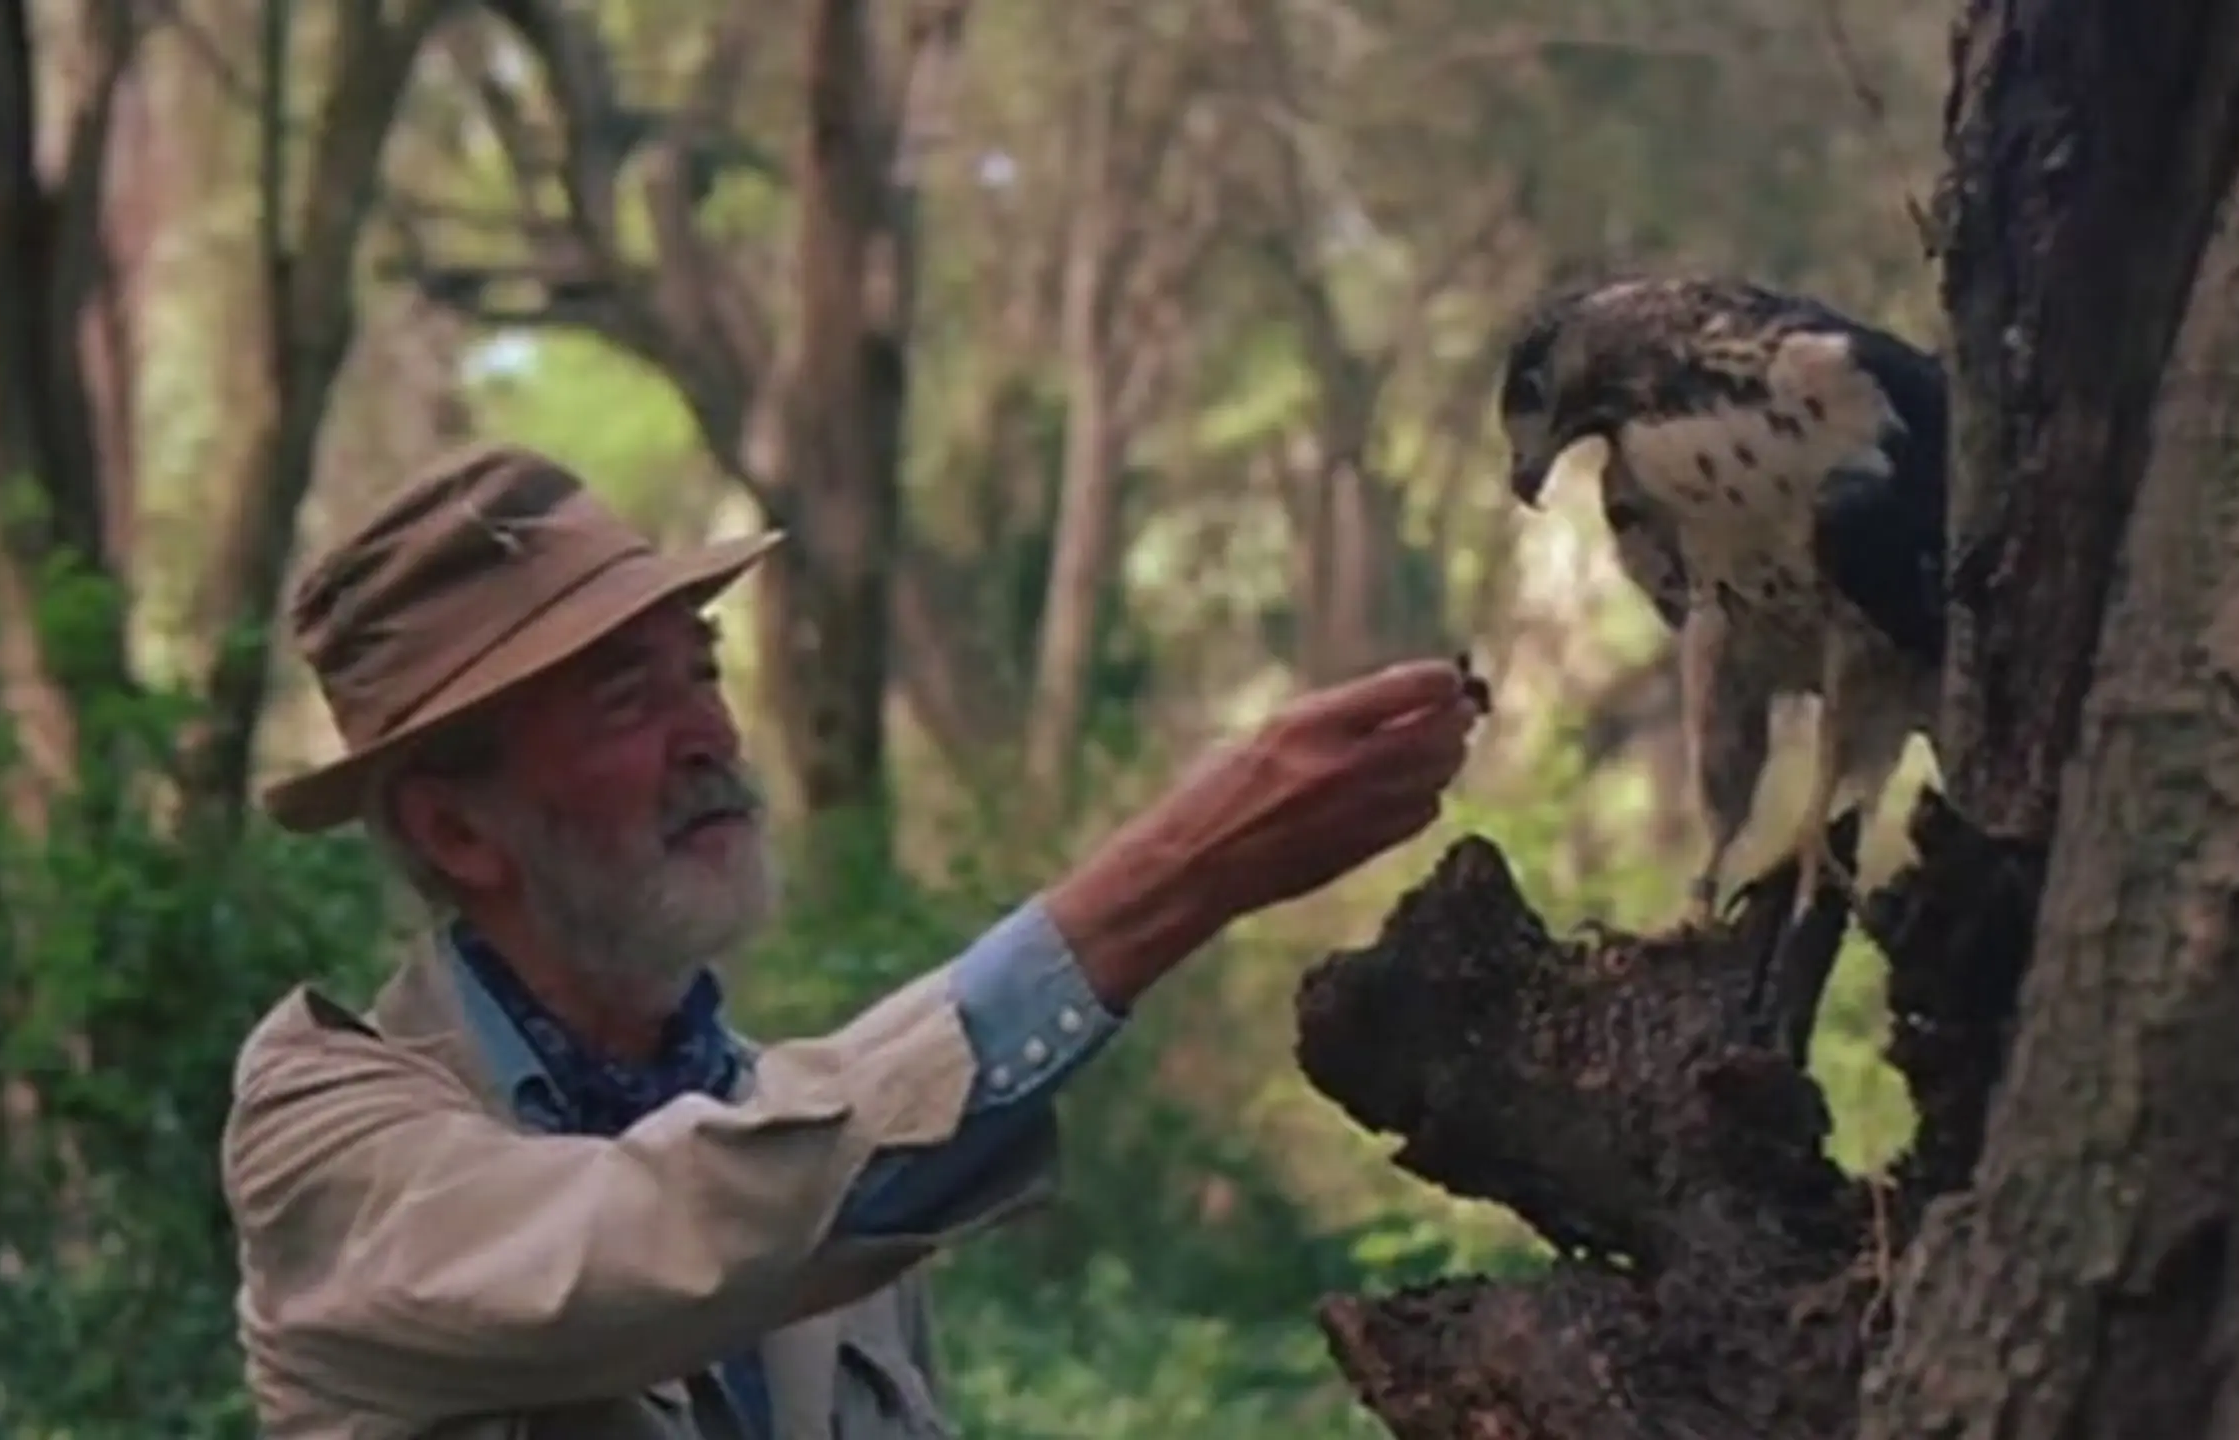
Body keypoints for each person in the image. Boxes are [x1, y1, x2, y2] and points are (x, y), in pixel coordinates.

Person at [221, 441, 1479, 1439]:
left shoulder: (801, 1131)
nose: (707, 735)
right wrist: (1177, 875)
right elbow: (657, 1235)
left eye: (700, 672)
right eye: (625, 701)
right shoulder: (330, 1143)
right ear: (457, 832)